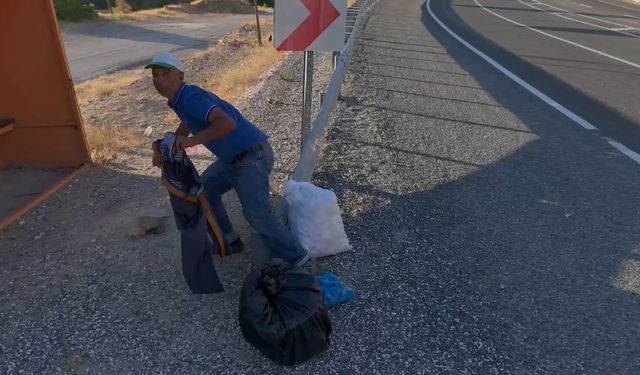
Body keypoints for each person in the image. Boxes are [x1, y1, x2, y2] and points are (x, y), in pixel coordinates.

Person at [145, 51, 309, 267]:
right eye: (155, 75)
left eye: (166, 74)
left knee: (257, 215)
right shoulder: (180, 99)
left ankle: (299, 258)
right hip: (232, 159)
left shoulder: (190, 98)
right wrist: (174, 142)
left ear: (180, 76)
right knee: (205, 192)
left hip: (252, 157)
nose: (160, 80)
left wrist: (191, 142)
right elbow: (189, 120)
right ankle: (230, 242)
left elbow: (227, 124)